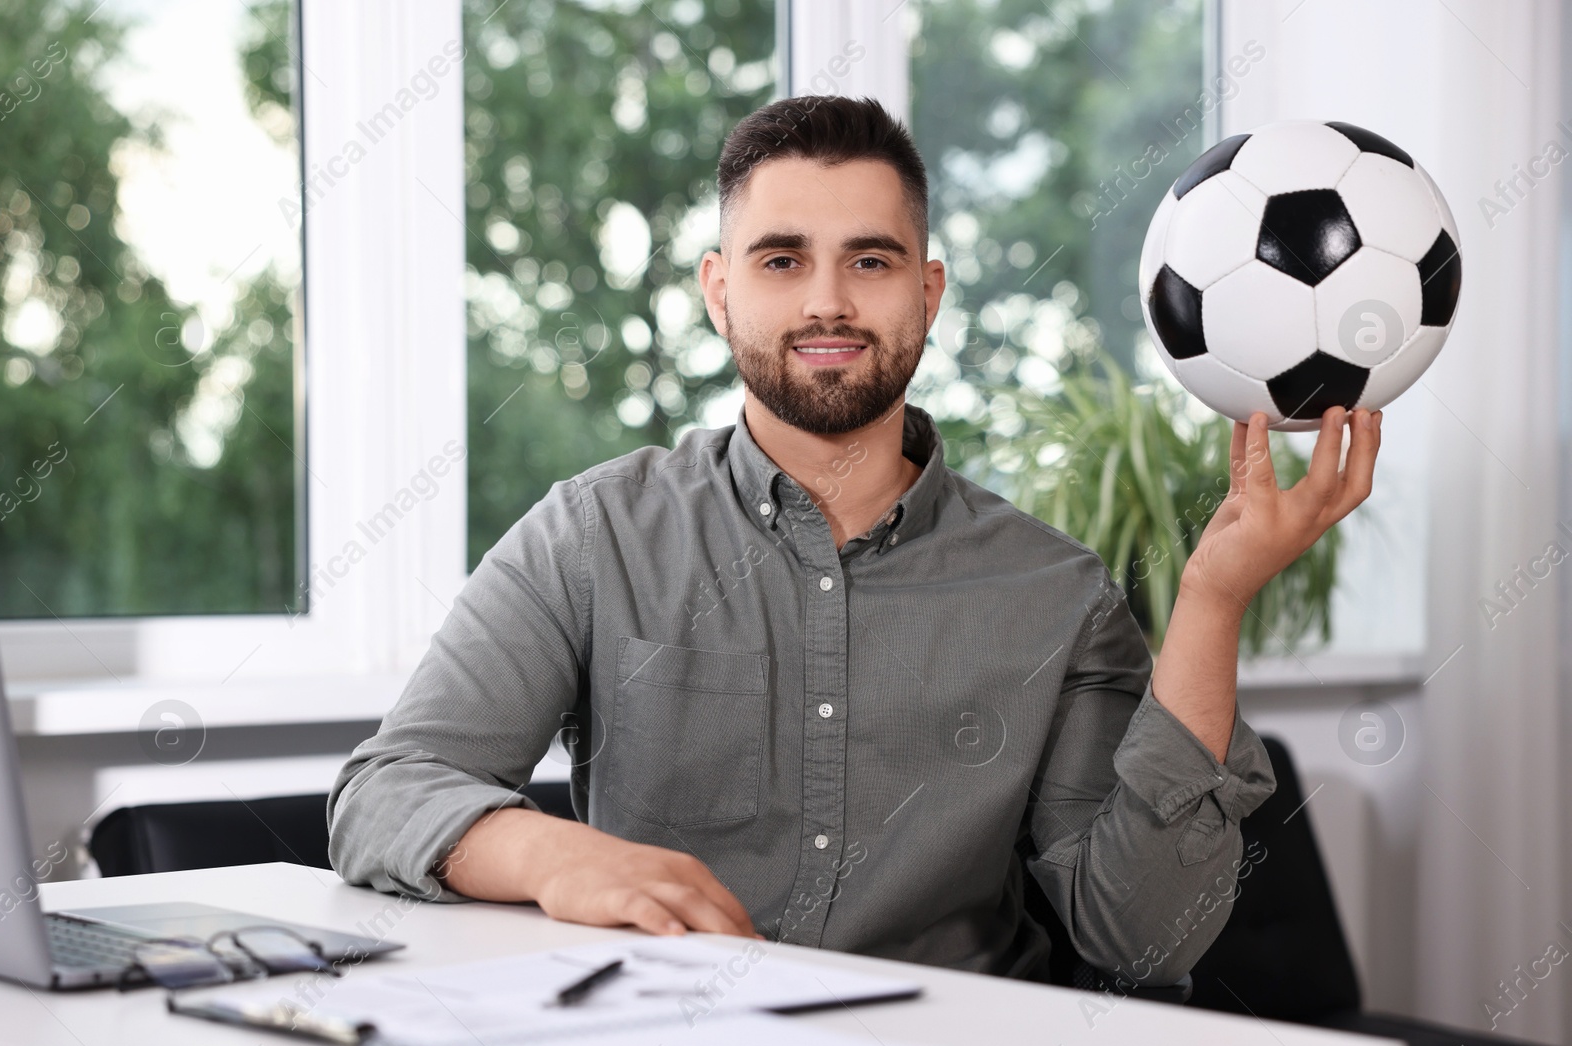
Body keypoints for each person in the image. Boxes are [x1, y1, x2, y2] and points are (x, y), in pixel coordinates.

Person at [327, 95, 1381, 985]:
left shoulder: (1054, 590)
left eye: (868, 260)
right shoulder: (591, 533)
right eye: (781, 259)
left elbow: (1140, 937)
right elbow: (386, 789)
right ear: (719, 288)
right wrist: (555, 853)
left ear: (926, 292)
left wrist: (1212, 600)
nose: (827, 300)